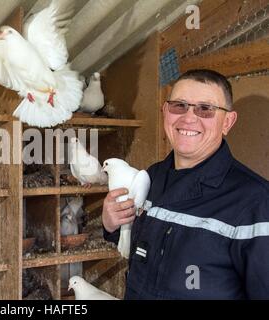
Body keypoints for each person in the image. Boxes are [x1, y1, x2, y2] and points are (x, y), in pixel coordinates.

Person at [102, 69, 269, 299]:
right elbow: (143, 247)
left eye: (206, 109)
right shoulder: (153, 177)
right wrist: (112, 224)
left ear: (227, 122)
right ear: (165, 112)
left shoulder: (256, 202)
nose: (189, 118)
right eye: (179, 105)